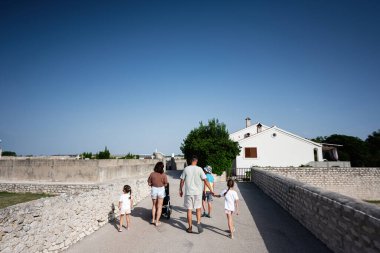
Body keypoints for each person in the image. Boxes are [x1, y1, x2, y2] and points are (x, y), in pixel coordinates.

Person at [179, 156, 214, 234]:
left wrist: (180, 190)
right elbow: (205, 180)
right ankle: (198, 223)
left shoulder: (186, 169)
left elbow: (182, 181)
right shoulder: (200, 169)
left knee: (189, 210)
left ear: (190, 161)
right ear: (196, 161)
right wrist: (211, 190)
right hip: (198, 193)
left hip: (189, 193)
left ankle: (190, 227)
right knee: (198, 209)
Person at [147, 161, 168, 226]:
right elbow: (166, 184)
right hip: (161, 189)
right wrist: (163, 184)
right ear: (162, 168)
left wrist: (153, 184)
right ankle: (157, 221)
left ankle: (153, 219)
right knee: (159, 206)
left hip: (154, 189)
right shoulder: (164, 175)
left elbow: (149, 183)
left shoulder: (152, 174)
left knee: (154, 205)